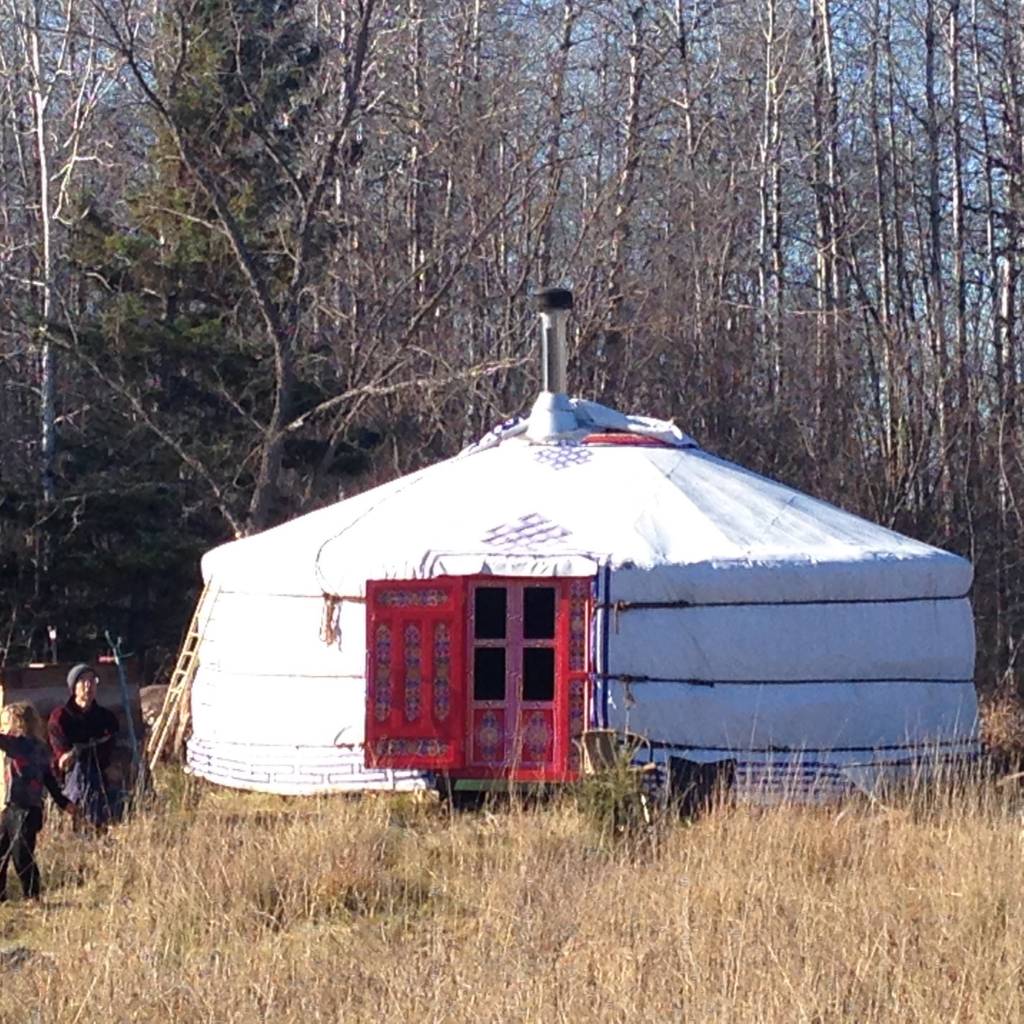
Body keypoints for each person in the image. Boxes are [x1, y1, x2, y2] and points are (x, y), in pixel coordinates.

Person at [0, 702, 74, 901]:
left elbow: (48, 779)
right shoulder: (39, 748)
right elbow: (49, 780)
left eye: (5, 723)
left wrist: (63, 802)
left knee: (21, 855)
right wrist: (64, 803)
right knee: (3, 852)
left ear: (18, 724)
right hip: (10, 808)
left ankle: (32, 896)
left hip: (25, 810)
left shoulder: (20, 744)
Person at [48, 663, 121, 827]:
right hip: (71, 776)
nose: (88, 686)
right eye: (82, 681)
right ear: (74, 687)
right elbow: (64, 758)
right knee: (82, 771)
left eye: (92, 681)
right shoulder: (61, 717)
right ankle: (87, 822)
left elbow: (110, 745)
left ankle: (94, 824)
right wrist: (80, 751)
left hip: (101, 772)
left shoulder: (105, 717)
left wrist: (85, 750)